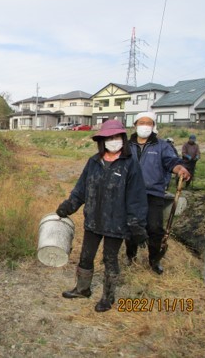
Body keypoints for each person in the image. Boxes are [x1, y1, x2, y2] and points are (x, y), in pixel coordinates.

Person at [56, 120, 148, 312]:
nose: (113, 141)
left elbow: (136, 197)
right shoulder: (94, 162)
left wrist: (136, 224)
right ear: (102, 141)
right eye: (109, 138)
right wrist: (68, 206)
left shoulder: (130, 165)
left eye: (116, 137)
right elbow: (80, 189)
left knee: (110, 259)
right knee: (85, 257)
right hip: (93, 220)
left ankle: (108, 297)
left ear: (122, 138)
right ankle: (82, 289)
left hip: (117, 223)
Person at [125, 112, 191, 275]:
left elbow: (172, 162)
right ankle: (130, 256)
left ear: (153, 126)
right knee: (132, 226)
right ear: (135, 125)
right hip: (131, 193)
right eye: (142, 122)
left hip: (153, 193)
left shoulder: (162, 146)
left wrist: (180, 169)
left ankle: (154, 260)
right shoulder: (126, 145)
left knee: (154, 227)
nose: (145, 125)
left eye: (148, 123)